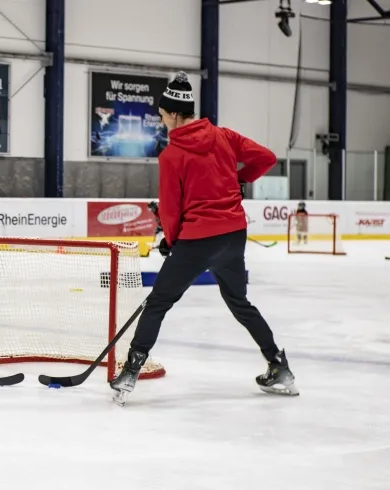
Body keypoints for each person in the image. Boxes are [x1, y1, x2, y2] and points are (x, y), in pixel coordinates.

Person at [110, 72, 298, 406]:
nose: (162, 120)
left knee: (158, 302)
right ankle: (278, 365)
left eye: (162, 114)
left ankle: (130, 372)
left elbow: (171, 208)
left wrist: (171, 240)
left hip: (197, 241)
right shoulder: (224, 136)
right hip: (233, 236)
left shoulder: (172, 155)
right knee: (239, 302)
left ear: (173, 113)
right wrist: (239, 178)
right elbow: (267, 158)